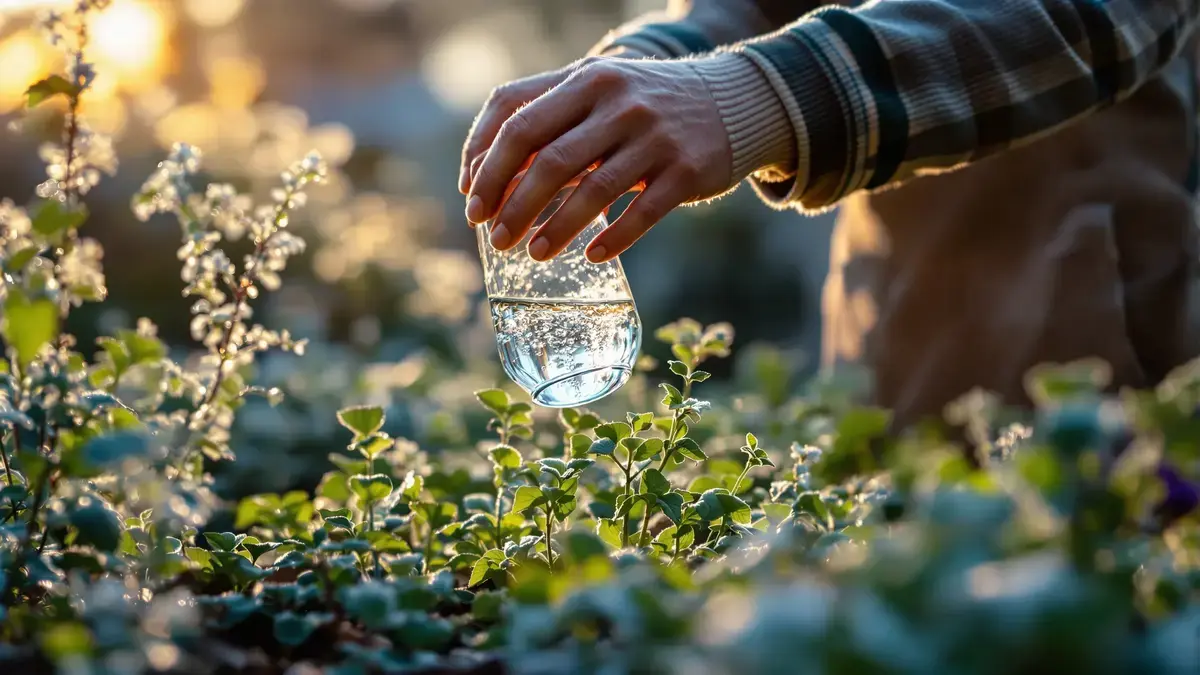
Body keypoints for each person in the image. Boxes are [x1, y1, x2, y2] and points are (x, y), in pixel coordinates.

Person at [459, 0, 1200, 429]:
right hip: (889, 341)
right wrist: (648, 64)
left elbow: (1102, 18)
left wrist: (752, 94)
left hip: (1103, 350)